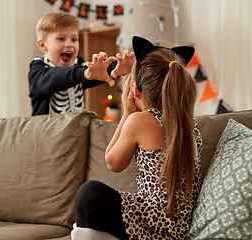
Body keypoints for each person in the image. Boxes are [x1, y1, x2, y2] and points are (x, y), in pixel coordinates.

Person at [73, 36, 203, 239]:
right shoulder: (189, 125)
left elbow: (112, 162)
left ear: (135, 90)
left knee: (89, 194)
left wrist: (127, 114)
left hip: (155, 225)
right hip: (179, 228)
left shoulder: (141, 120)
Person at [28, 12, 134, 116]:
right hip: (46, 132)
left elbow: (97, 72)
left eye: (74, 39)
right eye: (61, 39)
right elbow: (52, 77)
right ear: (42, 45)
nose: (69, 44)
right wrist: (83, 73)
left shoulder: (78, 65)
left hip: (76, 129)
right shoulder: (37, 70)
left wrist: (117, 68)